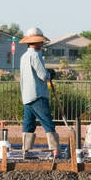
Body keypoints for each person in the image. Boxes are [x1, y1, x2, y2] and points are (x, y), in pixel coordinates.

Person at [18, 26, 60, 158]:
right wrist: (50, 74)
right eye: (41, 41)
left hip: (27, 95)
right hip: (38, 95)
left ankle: (26, 151)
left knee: (28, 124)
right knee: (47, 122)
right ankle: (55, 150)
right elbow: (43, 75)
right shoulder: (36, 55)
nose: (42, 44)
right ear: (36, 41)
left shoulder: (24, 56)